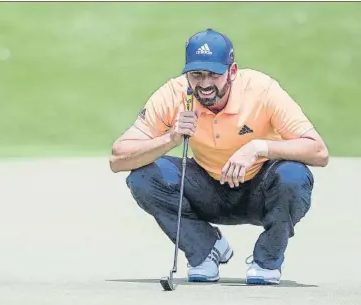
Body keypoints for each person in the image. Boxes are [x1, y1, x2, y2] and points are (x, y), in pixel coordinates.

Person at [109, 28, 329, 285]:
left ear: (232, 72)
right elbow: (118, 158)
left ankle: (267, 260)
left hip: (260, 191)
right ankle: (205, 249)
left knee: (293, 175)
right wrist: (169, 138)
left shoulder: (262, 90)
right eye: (196, 75)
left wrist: (258, 148)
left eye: (213, 74)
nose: (204, 84)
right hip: (206, 190)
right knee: (143, 177)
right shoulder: (174, 94)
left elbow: (318, 151)